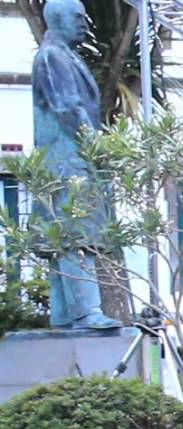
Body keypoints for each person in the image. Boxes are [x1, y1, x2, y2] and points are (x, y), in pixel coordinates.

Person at [31, 0, 120, 330]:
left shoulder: (63, 55)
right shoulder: (52, 56)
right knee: (76, 234)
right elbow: (69, 109)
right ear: (57, 18)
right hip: (67, 161)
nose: (85, 23)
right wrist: (96, 148)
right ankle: (86, 312)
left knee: (64, 238)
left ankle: (65, 313)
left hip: (68, 159)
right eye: (78, 17)